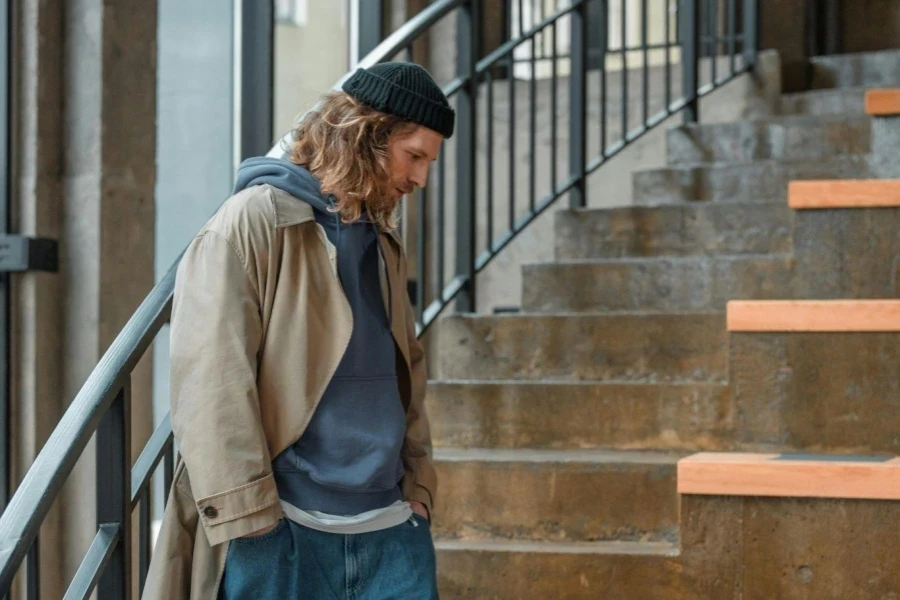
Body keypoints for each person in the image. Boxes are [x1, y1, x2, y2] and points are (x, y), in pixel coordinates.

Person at [143, 62, 453, 600]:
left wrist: (418, 490)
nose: (421, 179)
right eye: (415, 156)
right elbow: (210, 381)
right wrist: (253, 518)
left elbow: (410, 367)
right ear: (367, 135)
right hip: (282, 532)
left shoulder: (381, 238)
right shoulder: (251, 223)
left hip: (391, 532)